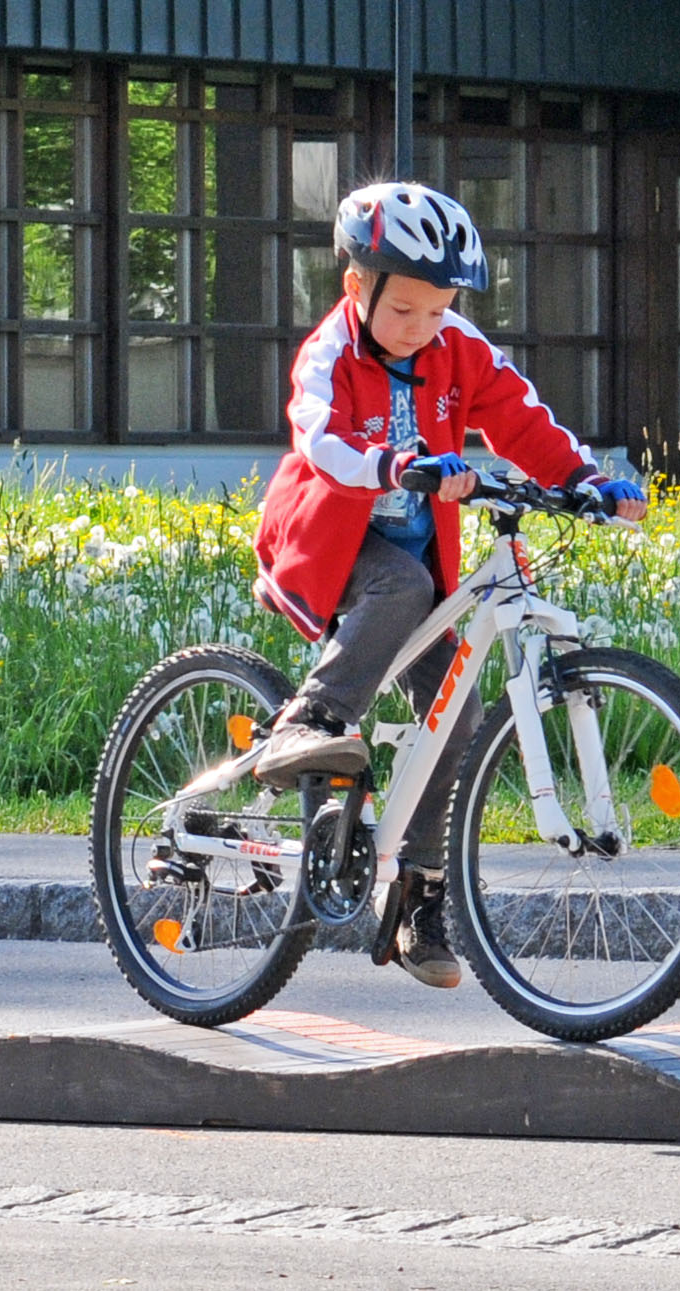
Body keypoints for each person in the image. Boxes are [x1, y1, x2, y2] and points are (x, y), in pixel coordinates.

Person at [251, 181, 646, 988]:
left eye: (439, 310)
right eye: (404, 310)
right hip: (329, 541)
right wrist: (394, 464)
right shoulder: (330, 351)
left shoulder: (454, 345)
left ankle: (417, 897)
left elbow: (520, 417)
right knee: (397, 584)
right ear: (356, 286)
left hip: (415, 559)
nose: (423, 326)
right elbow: (319, 438)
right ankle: (308, 719)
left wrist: (584, 479)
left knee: (456, 714)